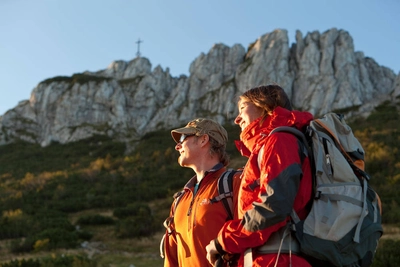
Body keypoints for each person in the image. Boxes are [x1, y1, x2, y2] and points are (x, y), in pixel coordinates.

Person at [206, 85, 314, 267]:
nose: (236, 119)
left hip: (278, 260)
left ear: (265, 105)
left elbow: (273, 206)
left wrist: (224, 241)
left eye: (242, 108)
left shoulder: (279, 141)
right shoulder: (269, 145)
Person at [162, 118, 241, 267]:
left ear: (204, 139)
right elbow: (171, 259)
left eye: (183, 138)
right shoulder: (179, 200)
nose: (177, 146)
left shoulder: (234, 183)